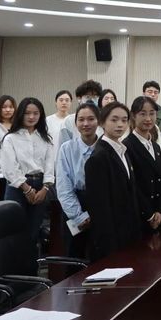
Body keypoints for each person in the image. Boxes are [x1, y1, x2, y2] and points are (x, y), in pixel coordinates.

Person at [85, 101, 141, 261]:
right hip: (112, 237)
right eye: (114, 120)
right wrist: (110, 244)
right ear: (102, 122)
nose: (120, 124)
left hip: (130, 231)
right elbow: (99, 207)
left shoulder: (123, 151)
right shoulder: (98, 157)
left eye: (124, 120)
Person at [0, 97, 54, 246]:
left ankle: (30, 261)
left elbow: (50, 165)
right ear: (20, 114)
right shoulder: (11, 138)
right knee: (13, 229)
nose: (31, 117)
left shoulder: (46, 139)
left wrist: (45, 188)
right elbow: (10, 168)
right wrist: (26, 189)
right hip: (17, 187)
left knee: (33, 232)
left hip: (40, 187)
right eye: (27, 113)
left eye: (36, 113)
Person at [55, 103, 99, 258]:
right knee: (74, 257)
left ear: (99, 121)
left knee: (99, 257)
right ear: (75, 123)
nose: (86, 124)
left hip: (100, 206)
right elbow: (63, 186)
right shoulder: (67, 148)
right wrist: (77, 215)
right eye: (81, 120)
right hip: (75, 204)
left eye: (91, 119)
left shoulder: (105, 148)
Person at [124, 96, 161, 234]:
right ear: (133, 116)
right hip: (139, 214)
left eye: (152, 113)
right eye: (143, 114)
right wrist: (149, 214)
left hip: (157, 214)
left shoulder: (156, 147)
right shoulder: (127, 145)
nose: (148, 118)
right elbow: (132, 184)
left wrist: (160, 210)